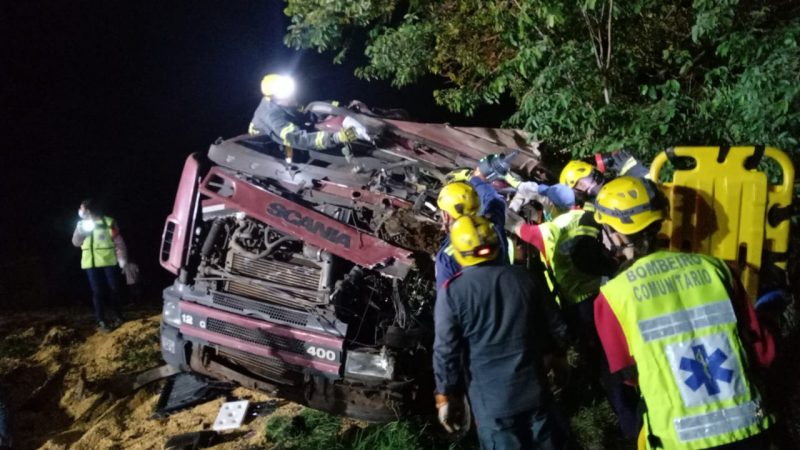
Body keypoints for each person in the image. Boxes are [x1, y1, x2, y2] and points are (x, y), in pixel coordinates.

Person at [593, 177, 775, 449]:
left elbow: (629, 376)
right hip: (749, 426)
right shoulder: (716, 269)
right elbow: (763, 350)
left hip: (679, 439)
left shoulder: (612, 297)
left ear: (615, 232)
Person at [434, 215, 568, 449]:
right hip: (536, 392)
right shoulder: (525, 278)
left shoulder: (452, 293)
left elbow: (446, 350)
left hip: (493, 407)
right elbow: (556, 325)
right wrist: (558, 358)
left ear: (458, 252)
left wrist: (445, 395)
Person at [248, 73, 357, 163]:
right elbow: (296, 138)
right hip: (272, 149)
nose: (291, 95)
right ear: (274, 98)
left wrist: (339, 109)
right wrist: (334, 138)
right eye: (286, 93)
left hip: (285, 137)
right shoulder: (273, 116)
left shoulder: (283, 103)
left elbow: (304, 115)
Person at [72, 199, 129, 332]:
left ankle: (118, 316)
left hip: (108, 262)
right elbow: (75, 242)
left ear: (89, 210)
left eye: (82, 208)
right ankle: (101, 321)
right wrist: (81, 232)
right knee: (97, 292)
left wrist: (122, 260)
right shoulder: (81, 224)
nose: (80, 211)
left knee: (114, 289)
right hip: (90, 263)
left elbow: (119, 243)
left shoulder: (109, 222)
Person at [559, 149, 649, 207]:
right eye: (580, 186)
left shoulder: (614, 180)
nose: (587, 187)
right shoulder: (599, 205)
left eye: (582, 183)